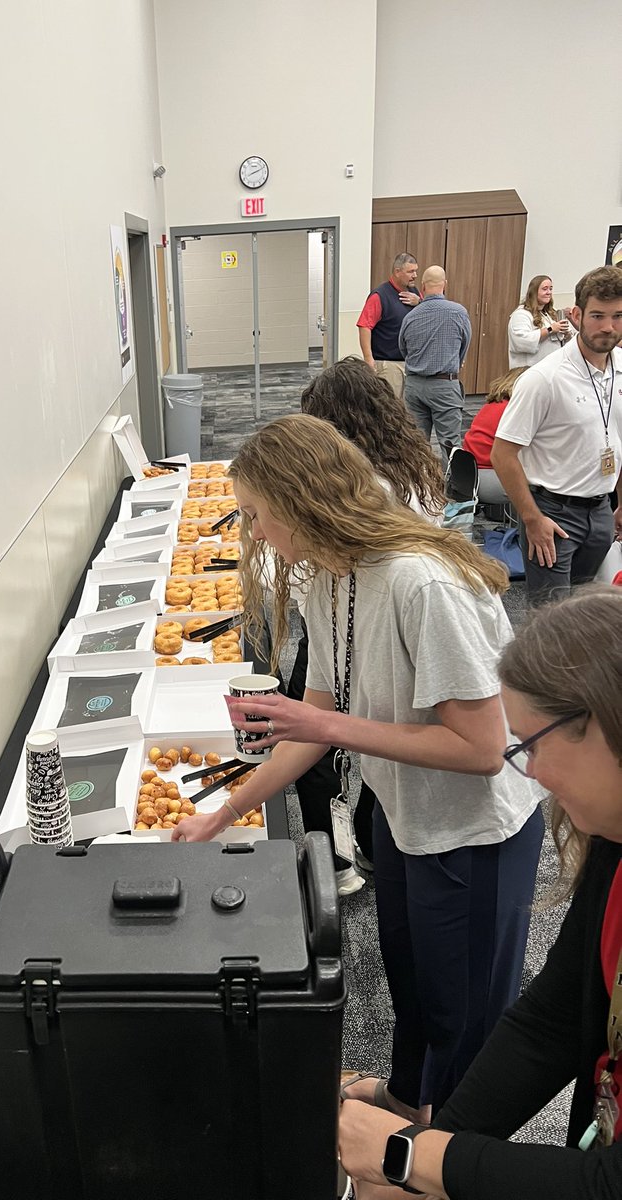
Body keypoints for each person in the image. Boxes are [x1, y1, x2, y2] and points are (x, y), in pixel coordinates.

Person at [172, 413, 543, 1117]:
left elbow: (482, 749)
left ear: (298, 504)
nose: (255, 534)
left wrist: (327, 724)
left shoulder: (420, 584)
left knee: (463, 1012)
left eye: (256, 515)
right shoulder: (329, 574)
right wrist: (225, 812)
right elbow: (315, 720)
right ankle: (408, 1099)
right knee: (412, 981)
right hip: (406, 818)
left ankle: (442, 1150)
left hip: (472, 834)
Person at [339, 585, 622, 1200]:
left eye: (532, 746)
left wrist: (416, 1160)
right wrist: (421, 1162)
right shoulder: (613, 838)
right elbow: (552, 1020)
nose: (532, 773)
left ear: (602, 724)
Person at [292, 357, 446, 895]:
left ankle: (334, 858)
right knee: (381, 730)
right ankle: (369, 842)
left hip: (359, 620)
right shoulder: (416, 467)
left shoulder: (356, 494)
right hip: (373, 623)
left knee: (329, 731)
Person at [491, 265, 622, 605]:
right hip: (553, 512)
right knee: (549, 618)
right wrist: (532, 518)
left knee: (582, 611)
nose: (608, 327)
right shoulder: (544, 378)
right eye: (597, 316)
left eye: (618, 316)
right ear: (576, 315)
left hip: (601, 509)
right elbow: (502, 454)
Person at [399, 266, 472, 464]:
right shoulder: (458, 312)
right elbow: (464, 346)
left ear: (422, 286)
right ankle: (452, 482)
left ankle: (418, 480)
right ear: (445, 284)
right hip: (444, 385)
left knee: (416, 443)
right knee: (450, 443)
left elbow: (403, 349)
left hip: (414, 385)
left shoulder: (410, 316)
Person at [357, 253, 420, 400]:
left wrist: (419, 302)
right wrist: (368, 359)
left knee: (409, 408)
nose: (415, 275)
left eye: (416, 271)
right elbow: (364, 326)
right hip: (388, 365)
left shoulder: (414, 293)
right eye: (410, 271)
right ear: (397, 272)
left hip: (411, 363)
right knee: (389, 406)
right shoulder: (379, 296)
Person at [462, 367, 527, 504]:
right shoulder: (512, 410)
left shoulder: (492, 405)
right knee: (544, 487)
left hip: (468, 473)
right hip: (488, 476)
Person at [507, 275, 572, 368]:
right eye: (545, 289)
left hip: (550, 367)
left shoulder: (548, 315)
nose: (549, 292)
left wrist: (566, 335)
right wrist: (550, 329)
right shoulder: (521, 314)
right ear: (534, 292)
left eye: (550, 289)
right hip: (528, 369)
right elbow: (521, 341)